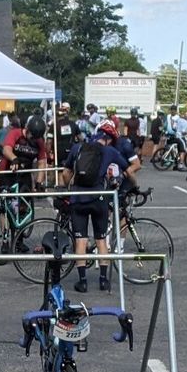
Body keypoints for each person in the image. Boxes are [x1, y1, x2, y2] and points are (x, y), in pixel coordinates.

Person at [64, 119, 123, 292]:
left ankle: (82, 282)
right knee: (101, 239)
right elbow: (129, 168)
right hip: (99, 198)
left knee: (81, 240)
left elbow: (66, 173)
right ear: (109, 139)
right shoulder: (110, 151)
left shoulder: (77, 148)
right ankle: (103, 280)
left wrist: (69, 188)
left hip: (78, 198)